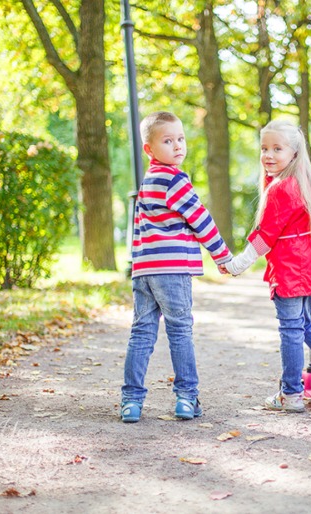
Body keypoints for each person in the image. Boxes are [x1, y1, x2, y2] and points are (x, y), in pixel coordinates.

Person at [222, 119, 311, 413]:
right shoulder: (306, 182)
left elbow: (266, 237)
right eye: (264, 148)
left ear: (293, 153)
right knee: (304, 324)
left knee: (291, 330)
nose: (268, 155)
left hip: (290, 270)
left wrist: (237, 265)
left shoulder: (280, 189)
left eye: (277, 149)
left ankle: (291, 394)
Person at [120, 111, 233, 423]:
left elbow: (139, 229)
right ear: (150, 149)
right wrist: (222, 256)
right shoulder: (176, 180)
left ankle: (131, 401)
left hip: (144, 270)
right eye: (167, 141)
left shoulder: (148, 182)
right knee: (180, 330)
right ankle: (186, 397)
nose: (177, 146)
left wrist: (138, 263)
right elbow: (201, 220)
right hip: (171, 269)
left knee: (141, 332)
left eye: (180, 139)